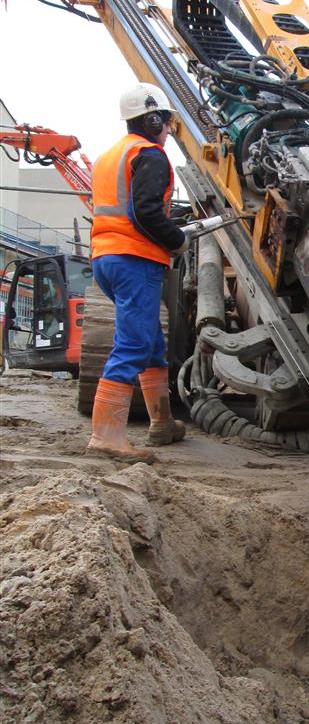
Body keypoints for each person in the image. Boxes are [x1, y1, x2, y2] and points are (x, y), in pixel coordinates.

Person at [86, 82, 188, 462]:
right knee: (134, 343)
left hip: (106, 259)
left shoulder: (110, 155)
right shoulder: (150, 155)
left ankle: (162, 423)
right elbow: (145, 212)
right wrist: (176, 239)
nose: (168, 130)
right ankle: (106, 436)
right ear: (153, 118)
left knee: (150, 342)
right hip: (135, 259)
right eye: (166, 122)